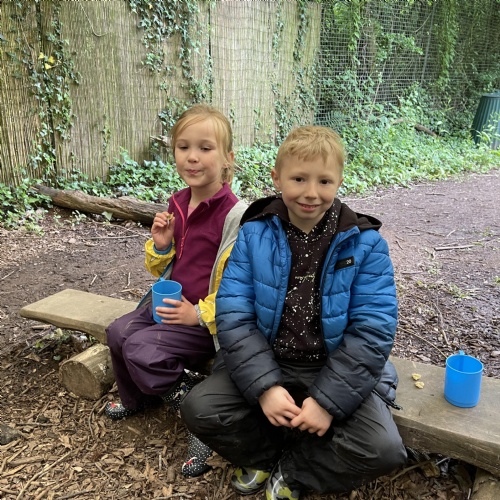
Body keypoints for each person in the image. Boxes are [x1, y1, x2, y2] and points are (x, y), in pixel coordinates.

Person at [181, 125, 407, 499]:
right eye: (299, 179)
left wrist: (328, 402)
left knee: (383, 448)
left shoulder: (366, 243)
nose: (311, 192)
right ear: (277, 178)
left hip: (332, 364)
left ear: (339, 182)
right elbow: (233, 314)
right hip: (269, 356)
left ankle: (295, 471)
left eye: (324, 181)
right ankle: (262, 455)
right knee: (199, 408)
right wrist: (265, 387)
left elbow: (373, 329)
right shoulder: (254, 234)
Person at [104, 104, 247, 478]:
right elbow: (163, 266)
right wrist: (162, 244)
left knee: (141, 349)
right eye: (184, 147)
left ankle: (198, 421)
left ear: (228, 158)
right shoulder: (178, 202)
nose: (192, 157)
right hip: (169, 302)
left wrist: (196, 314)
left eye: (205, 148)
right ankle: (137, 398)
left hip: (205, 320)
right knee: (117, 332)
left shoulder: (235, 216)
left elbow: (240, 287)